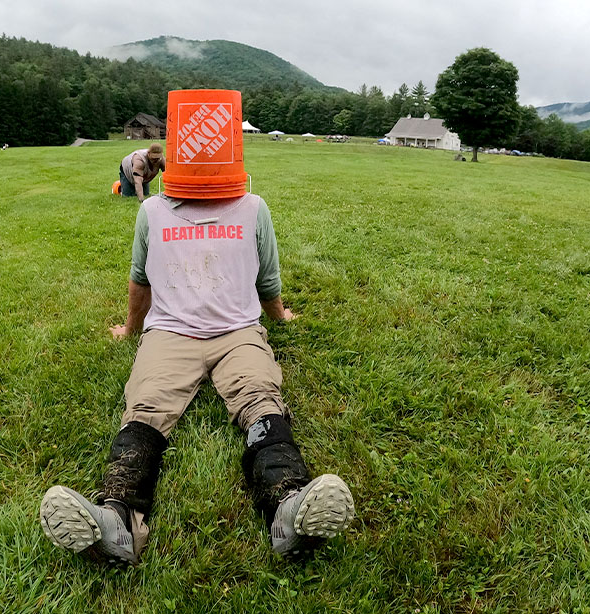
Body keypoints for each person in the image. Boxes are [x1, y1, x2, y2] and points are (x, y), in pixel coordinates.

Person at [40, 143, 356, 566]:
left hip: (238, 333)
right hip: (171, 333)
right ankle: (117, 519)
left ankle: (288, 507)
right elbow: (141, 279)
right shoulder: (152, 211)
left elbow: (266, 276)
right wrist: (132, 328)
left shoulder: (252, 207)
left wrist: (278, 316)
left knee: (260, 398)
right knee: (146, 405)